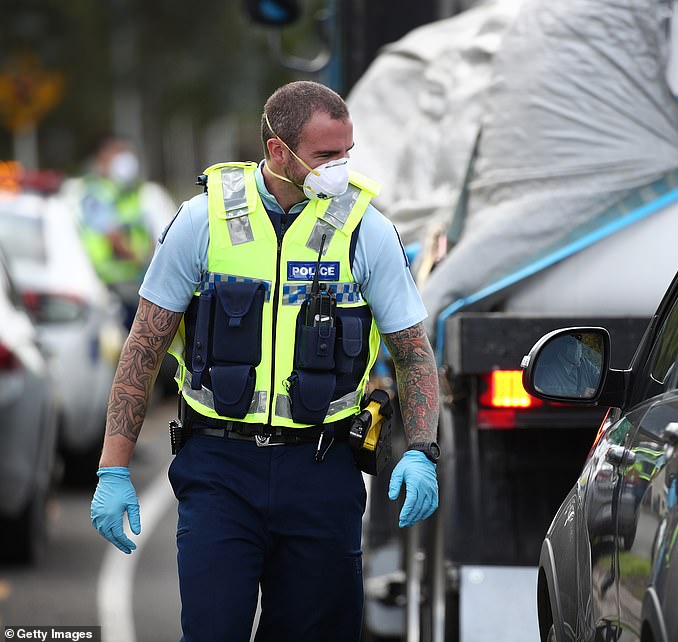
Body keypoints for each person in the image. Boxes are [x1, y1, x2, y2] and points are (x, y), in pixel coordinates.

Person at [89, 81, 441, 641]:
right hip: (219, 469)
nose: (341, 168)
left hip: (323, 471)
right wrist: (113, 468)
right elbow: (143, 348)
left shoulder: (366, 230)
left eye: (347, 152)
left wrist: (422, 449)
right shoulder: (201, 221)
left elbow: (414, 356)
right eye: (327, 155)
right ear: (279, 150)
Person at [67, 136, 174, 327]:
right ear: (102, 158)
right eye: (117, 152)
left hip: (133, 280)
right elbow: (114, 238)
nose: (124, 159)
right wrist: (144, 261)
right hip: (111, 284)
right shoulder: (95, 193)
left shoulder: (129, 191)